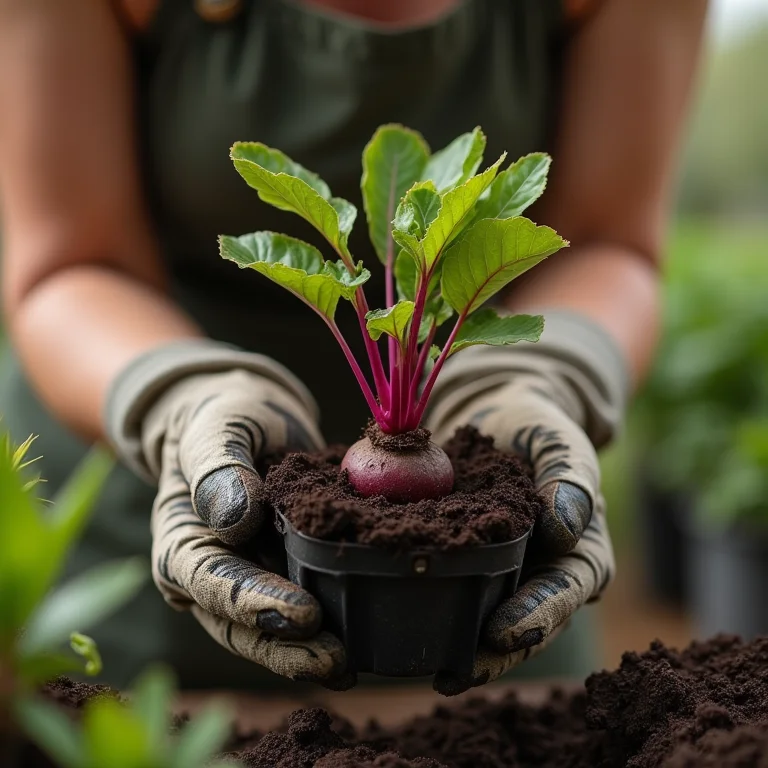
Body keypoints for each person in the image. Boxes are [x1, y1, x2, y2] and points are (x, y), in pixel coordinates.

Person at [0, 0, 707, 693]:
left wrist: (542, 378)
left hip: (481, 602)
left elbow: (607, 239)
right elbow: (71, 261)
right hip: (144, 556)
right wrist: (182, 399)